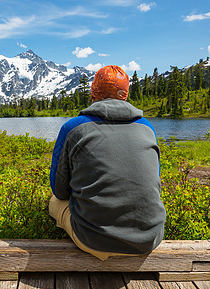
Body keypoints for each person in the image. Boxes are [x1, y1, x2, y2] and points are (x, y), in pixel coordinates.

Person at [49, 65, 166, 260]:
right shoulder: (148, 128)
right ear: (125, 95)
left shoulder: (73, 127)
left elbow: (59, 191)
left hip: (93, 240)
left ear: (93, 93)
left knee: (54, 202)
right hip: (149, 239)